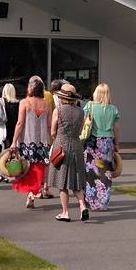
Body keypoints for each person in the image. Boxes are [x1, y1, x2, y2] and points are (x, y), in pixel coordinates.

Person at [48, 83, 89, 221]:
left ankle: (65, 212)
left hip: (62, 145)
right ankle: (82, 205)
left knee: (62, 182)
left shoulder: (58, 111)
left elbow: (53, 131)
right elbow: (80, 129)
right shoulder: (81, 111)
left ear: (61, 97)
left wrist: (56, 139)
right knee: (76, 180)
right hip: (77, 146)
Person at [10, 75, 52, 209]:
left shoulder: (24, 102)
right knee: (38, 169)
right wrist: (53, 140)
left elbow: (20, 123)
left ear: (31, 88)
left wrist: (13, 141)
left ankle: (30, 193)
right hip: (42, 142)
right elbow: (50, 125)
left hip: (27, 141)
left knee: (27, 169)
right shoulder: (46, 104)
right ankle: (33, 192)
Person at [82, 82, 121, 211]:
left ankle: (91, 200)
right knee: (106, 171)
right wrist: (116, 144)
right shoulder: (113, 109)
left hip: (93, 142)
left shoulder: (90, 106)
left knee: (91, 171)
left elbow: (84, 123)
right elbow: (116, 128)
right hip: (107, 142)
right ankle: (103, 201)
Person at [0, 83, 21, 182]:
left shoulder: (1, 102)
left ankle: (3, 172)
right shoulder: (18, 103)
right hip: (15, 129)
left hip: (3, 129)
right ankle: (12, 171)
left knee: (3, 151)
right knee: (13, 152)